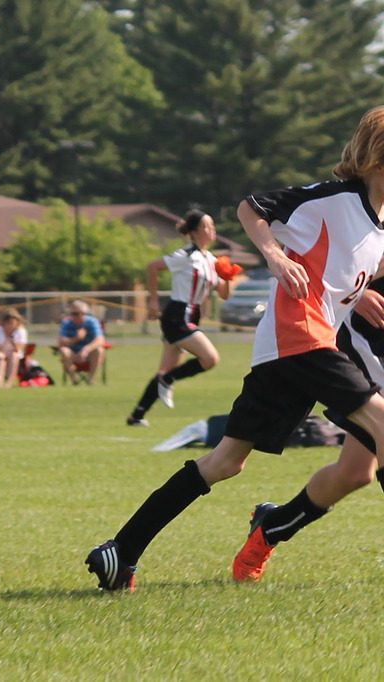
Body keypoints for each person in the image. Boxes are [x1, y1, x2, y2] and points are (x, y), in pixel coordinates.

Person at [84, 105, 384, 592]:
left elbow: (348, 265)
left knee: (225, 462)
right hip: (299, 338)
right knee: (382, 422)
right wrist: (274, 256)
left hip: (291, 349)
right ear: (376, 160)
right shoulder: (335, 198)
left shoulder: (378, 219)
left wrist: (361, 290)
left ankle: (121, 550)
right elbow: (253, 206)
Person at [231, 276, 384, 581]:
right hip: (368, 330)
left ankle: (271, 527)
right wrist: (356, 291)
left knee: (354, 473)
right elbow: (329, 248)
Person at [126, 210, 236, 426]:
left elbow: (223, 294)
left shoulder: (211, 260)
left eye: (213, 226)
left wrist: (228, 277)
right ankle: (167, 381)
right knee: (210, 359)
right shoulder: (186, 256)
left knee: (165, 369)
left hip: (192, 315)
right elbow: (153, 267)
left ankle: (137, 415)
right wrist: (154, 300)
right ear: (194, 232)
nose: (212, 230)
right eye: (207, 226)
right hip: (177, 314)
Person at [58, 300, 106, 385]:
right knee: (63, 351)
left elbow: (100, 340)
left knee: (99, 350)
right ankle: (74, 380)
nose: (74, 316)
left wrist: (86, 349)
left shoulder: (92, 322)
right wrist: (77, 338)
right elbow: (61, 342)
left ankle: (90, 379)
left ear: (84, 314)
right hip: (73, 353)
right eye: (72, 313)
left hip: (89, 355)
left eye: (77, 314)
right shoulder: (66, 323)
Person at [0, 308, 28, 388]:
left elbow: (19, 349)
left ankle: (9, 382)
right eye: (8, 323)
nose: (10, 326)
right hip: (0, 353)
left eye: (12, 323)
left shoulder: (21, 331)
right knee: (0, 356)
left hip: (14, 354)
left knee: (14, 356)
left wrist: (11, 339)